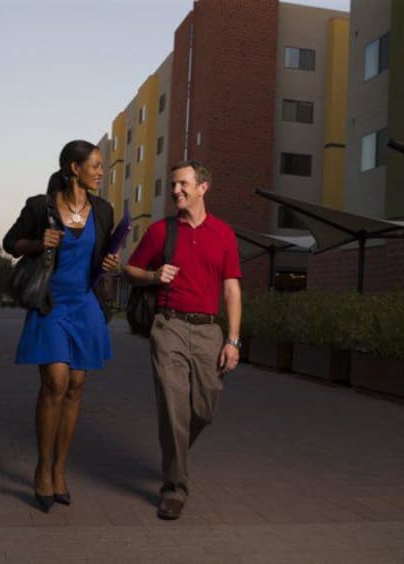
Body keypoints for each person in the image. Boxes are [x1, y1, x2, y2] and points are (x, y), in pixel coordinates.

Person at [3, 140, 119, 513]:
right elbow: (10, 243)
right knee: (54, 381)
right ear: (74, 168)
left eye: (101, 167)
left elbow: (100, 257)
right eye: (96, 166)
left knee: (77, 386)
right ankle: (42, 466)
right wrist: (38, 243)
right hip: (51, 302)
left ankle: (59, 468)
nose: (101, 172)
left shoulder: (103, 210)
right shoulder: (42, 206)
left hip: (85, 304)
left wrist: (110, 263)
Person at [123, 160, 242, 520]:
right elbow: (129, 270)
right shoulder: (161, 232)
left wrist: (233, 340)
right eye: (173, 185)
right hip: (169, 326)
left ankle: (174, 455)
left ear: (203, 187)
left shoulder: (224, 234)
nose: (176, 190)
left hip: (210, 331)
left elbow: (232, 289)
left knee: (203, 409)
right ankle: (174, 486)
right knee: (173, 408)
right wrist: (154, 275)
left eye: (183, 184)